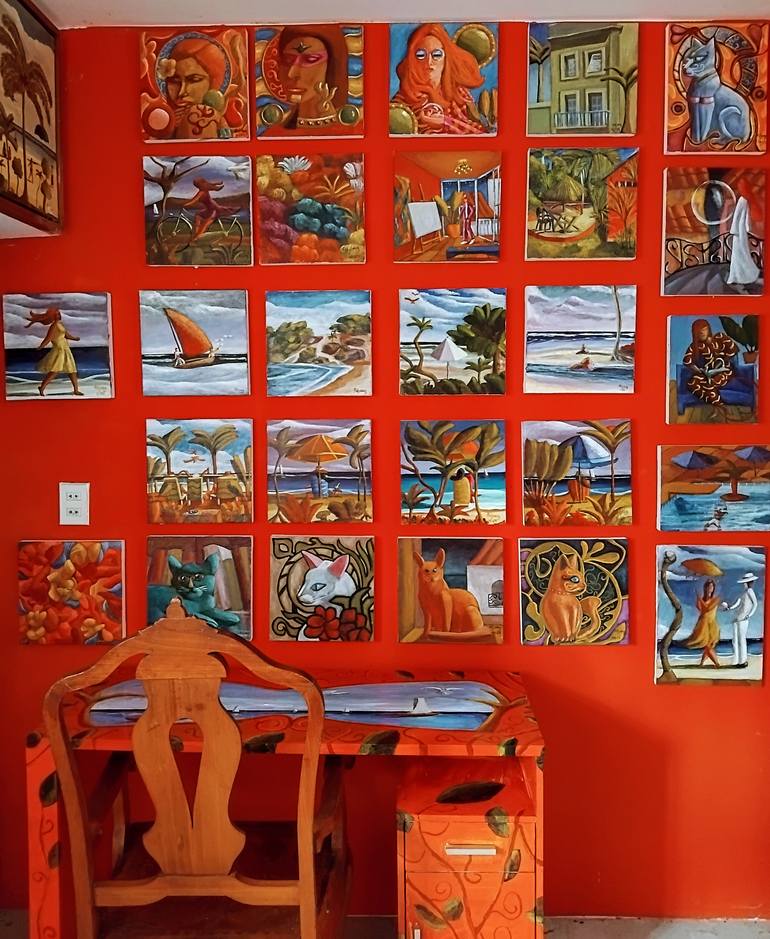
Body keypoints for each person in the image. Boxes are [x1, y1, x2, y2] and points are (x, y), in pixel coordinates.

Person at [392, 23, 486, 135]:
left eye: (436, 55)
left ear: (446, 58)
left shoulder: (459, 94)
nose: (429, 62)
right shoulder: (402, 101)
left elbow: (480, 133)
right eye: (421, 55)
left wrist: (445, 122)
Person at [271, 26, 351, 131]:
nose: (291, 73)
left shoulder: (350, 131)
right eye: (287, 60)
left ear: (331, 66)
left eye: (310, 59)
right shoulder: (273, 133)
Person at [160, 35, 236, 139]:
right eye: (174, 81)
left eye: (194, 80)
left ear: (213, 82)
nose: (182, 92)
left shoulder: (215, 116)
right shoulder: (164, 118)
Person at [25, 307, 82, 397]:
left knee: (72, 370)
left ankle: (76, 390)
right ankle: (42, 387)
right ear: (52, 316)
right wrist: (41, 346)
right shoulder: (54, 326)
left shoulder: (60, 324)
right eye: (56, 314)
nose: (59, 315)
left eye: (59, 313)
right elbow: (48, 338)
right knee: (55, 370)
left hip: (65, 349)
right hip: (59, 349)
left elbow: (66, 335)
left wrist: (75, 338)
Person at [682, 318, 738, 407]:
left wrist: (722, 361)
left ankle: (719, 407)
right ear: (695, 333)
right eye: (699, 332)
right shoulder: (695, 346)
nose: (702, 333)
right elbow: (687, 360)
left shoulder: (719, 337)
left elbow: (733, 349)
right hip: (708, 373)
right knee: (692, 383)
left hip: (724, 370)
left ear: (708, 329)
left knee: (710, 383)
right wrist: (698, 370)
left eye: (704, 330)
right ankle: (719, 405)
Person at [721, 572, 759, 668]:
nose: (747, 584)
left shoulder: (750, 591)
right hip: (737, 618)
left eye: (748, 582)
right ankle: (737, 661)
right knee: (735, 640)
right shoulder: (744, 593)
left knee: (741, 640)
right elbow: (738, 603)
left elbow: (755, 604)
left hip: (743, 619)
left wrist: (749, 615)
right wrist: (729, 608)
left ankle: (743, 661)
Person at [683, 578, 722, 667]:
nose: (710, 588)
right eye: (708, 586)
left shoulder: (716, 599)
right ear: (705, 588)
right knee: (707, 646)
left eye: (712, 586)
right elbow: (700, 609)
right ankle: (703, 663)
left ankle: (716, 664)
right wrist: (699, 599)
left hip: (711, 625)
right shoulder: (702, 599)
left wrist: (699, 598)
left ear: (714, 588)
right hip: (702, 624)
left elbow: (707, 608)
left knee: (709, 645)